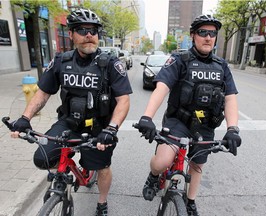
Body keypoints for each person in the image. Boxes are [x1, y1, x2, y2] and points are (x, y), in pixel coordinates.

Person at [10, 8, 132, 216]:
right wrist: (25, 118)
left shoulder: (111, 63)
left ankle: (102, 202)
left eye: (93, 31)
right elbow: (42, 93)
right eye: (82, 30)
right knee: (43, 158)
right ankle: (65, 173)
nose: (89, 35)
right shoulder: (61, 61)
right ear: (71, 34)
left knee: (102, 167)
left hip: (99, 128)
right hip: (68, 122)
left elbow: (123, 100)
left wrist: (111, 129)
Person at [136, 14, 241, 216]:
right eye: (203, 32)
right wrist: (147, 117)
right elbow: (161, 88)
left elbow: (230, 98)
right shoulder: (179, 60)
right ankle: (153, 175)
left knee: (197, 164)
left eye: (212, 33)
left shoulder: (222, 66)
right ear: (193, 35)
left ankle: (190, 201)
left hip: (205, 125)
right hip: (178, 121)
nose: (208, 37)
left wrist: (233, 129)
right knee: (163, 161)